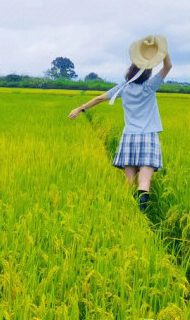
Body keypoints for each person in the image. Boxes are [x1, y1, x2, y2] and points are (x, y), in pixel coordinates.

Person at [69, 36, 172, 211]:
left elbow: (101, 98)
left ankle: (124, 212)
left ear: (130, 71)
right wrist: (161, 50)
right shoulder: (150, 86)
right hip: (148, 137)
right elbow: (168, 66)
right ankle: (140, 212)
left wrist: (80, 109)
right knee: (144, 181)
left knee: (129, 181)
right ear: (147, 72)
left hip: (129, 137)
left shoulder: (124, 87)